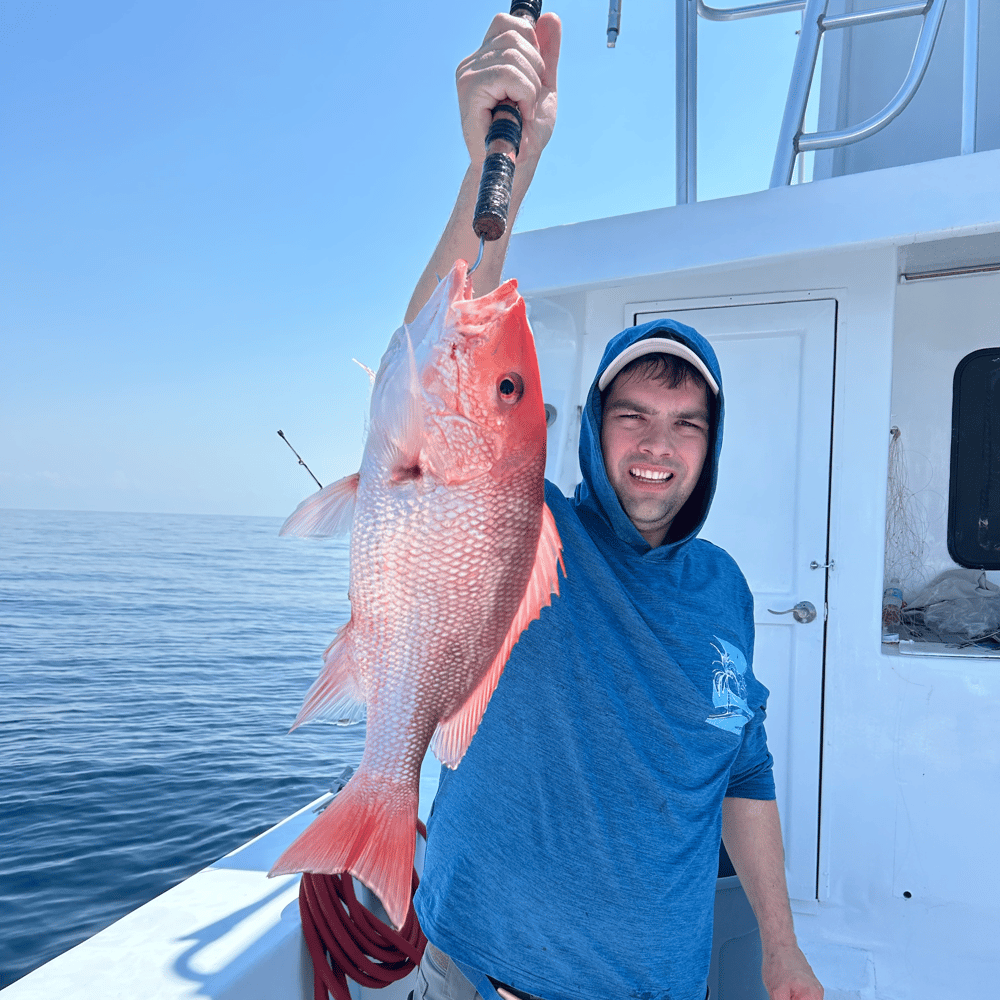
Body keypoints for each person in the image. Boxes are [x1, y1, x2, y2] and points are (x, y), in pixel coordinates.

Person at [404, 12, 824, 1000]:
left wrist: (777, 939)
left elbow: (743, 769)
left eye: (685, 423)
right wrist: (499, 171)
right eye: (632, 413)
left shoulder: (723, 590)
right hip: (478, 972)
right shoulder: (526, 529)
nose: (655, 445)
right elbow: (435, 380)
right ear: (593, 428)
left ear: (711, 449)